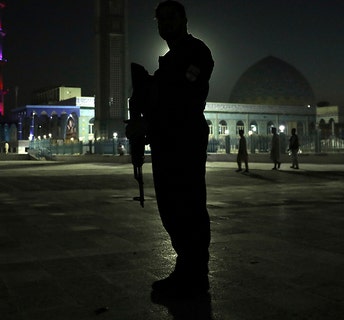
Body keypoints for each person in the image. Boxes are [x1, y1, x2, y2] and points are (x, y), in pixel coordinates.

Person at [126, 0, 214, 297]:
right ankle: (185, 269)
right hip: (166, 143)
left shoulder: (197, 53)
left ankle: (195, 274)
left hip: (184, 141)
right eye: (160, 20)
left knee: (187, 206)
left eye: (170, 18)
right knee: (170, 208)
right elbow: (159, 99)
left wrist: (148, 123)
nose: (165, 24)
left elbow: (185, 100)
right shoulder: (167, 62)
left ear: (184, 19)